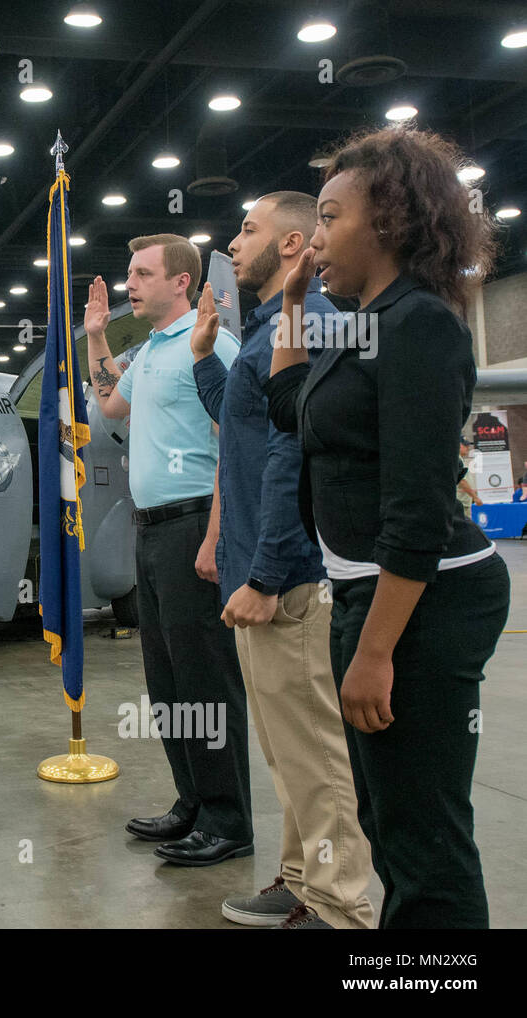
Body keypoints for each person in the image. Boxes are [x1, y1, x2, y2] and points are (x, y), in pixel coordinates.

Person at [266, 127, 509, 928]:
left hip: (424, 603)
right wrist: (296, 303)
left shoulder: (420, 326)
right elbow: (286, 409)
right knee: (386, 819)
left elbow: (418, 513)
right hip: (370, 593)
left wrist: (374, 653)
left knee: (424, 840)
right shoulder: (357, 322)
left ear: (390, 222)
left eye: (331, 217)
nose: (317, 239)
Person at [191, 193, 374, 929]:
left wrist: (267, 575)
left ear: (293, 244)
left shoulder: (312, 326)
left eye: (248, 230)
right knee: (289, 752)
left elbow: (296, 458)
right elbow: (246, 422)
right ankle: (302, 883)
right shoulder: (268, 332)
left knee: (318, 758)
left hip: (291, 581)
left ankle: (340, 908)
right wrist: (206, 360)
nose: (234, 246)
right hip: (264, 573)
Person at [85, 235, 253, 866]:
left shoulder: (210, 344)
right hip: (151, 531)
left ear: (180, 282)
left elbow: (232, 443)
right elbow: (109, 403)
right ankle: (194, 802)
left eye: (142, 273)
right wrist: (97, 335)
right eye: (129, 272)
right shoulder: (153, 350)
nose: (129, 282)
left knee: (206, 680)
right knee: (168, 683)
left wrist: (215, 536)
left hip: (193, 528)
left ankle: (229, 820)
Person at [456, 439, 482, 517]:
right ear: (458, 445)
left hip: (464, 502)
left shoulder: (460, 459)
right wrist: (475, 497)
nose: (468, 448)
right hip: (461, 502)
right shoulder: (458, 460)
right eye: (465, 446)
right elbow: (462, 481)